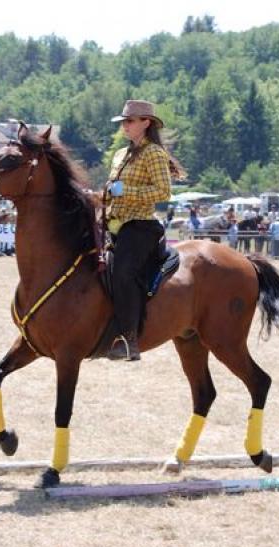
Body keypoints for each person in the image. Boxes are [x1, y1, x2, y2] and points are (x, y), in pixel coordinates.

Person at [105, 99, 182, 361]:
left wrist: (127, 191)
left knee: (123, 274)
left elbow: (164, 192)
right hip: (113, 222)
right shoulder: (119, 155)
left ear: (145, 123)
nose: (124, 126)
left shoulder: (154, 154)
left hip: (140, 226)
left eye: (129, 121)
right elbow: (112, 191)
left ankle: (129, 339)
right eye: (123, 122)